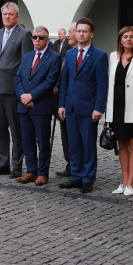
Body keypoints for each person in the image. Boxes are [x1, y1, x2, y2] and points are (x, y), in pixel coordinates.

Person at [58, 18, 108, 194]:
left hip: (88, 108)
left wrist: (99, 108)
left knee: (88, 145)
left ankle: (88, 179)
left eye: (84, 31)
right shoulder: (70, 54)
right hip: (70, 107)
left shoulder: (100, 56)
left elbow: (102, 85)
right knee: (74, 144)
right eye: (78, 31)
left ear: (91, 34)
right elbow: (65, 81)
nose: (80, 34)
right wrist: (61, 104)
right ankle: (76, 176)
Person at [0, 2, 34, 178]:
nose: (7, 17)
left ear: (17, 17)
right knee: (0, 129)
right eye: (4, 14)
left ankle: (17, 165)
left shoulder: (24, 35)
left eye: (11, 14)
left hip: (13, 90)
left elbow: (26, 64)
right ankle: (2, 163)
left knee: (16, 130)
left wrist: (23, 91)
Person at [104, 26, 133, 196]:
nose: (129, 39)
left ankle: (131, 182)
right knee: (122, 144)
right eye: (125, 36)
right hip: (116, 107)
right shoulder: (113, 56)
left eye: (132, 36)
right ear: (120, 39)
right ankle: (124, 181)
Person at [14, 26, 61, 186]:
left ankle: (42, 173)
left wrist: (31, 95)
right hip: (24, 106)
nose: (38, 40)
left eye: (41, 37)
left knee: (42, 142)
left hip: (41, 106)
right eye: (35, 37)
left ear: (47, 39)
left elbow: (50, 81)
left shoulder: (54, 57)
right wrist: (23, 96)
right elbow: (18, 78)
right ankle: (31, 171)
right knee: (27, 140)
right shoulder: (27, 57)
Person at [55, 22, 77, 178]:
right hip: (64, 102)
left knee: (77, 137)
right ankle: (70, 163)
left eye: (71, 32)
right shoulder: (68, 53)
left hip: (79, 104)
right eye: (68, 32)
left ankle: (78, 167)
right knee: (66, 135)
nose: (69, 35)